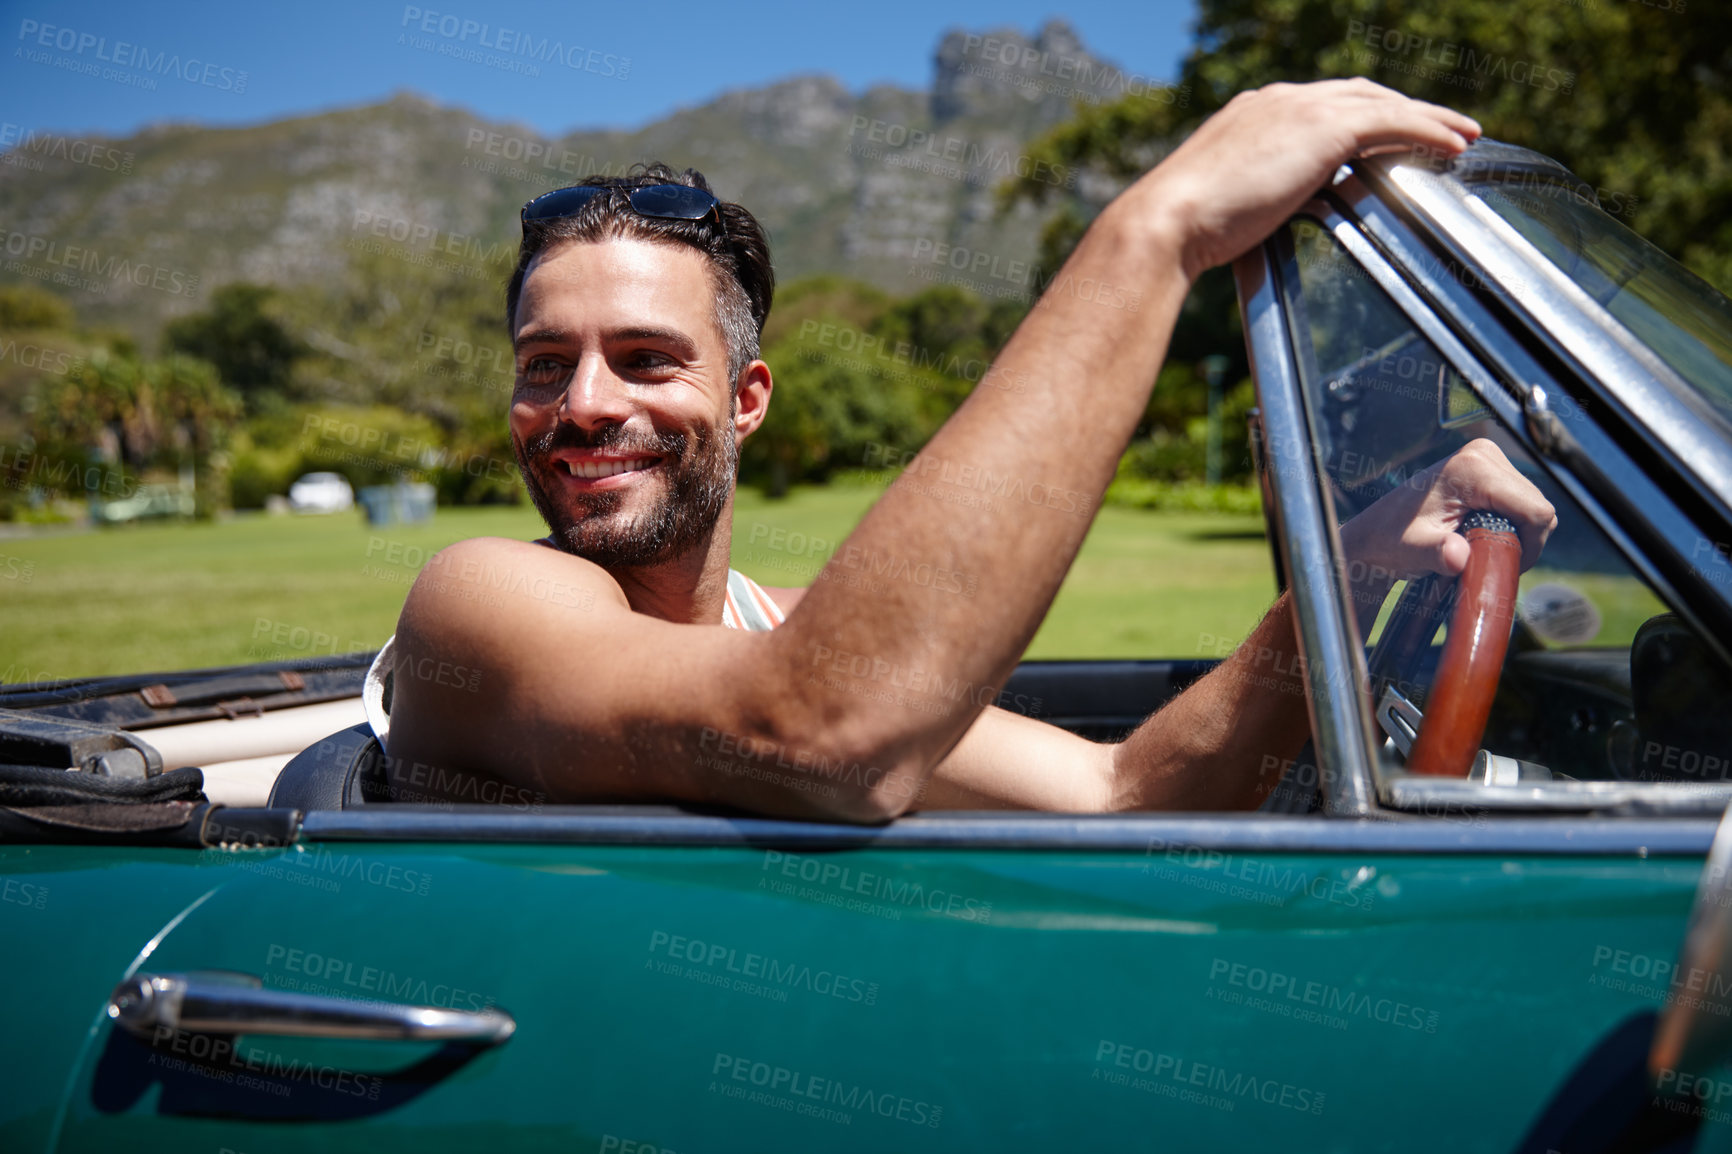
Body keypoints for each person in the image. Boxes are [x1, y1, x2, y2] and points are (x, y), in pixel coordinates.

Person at [380, 79, 1557, 822]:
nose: (581, 401)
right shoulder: (480, 598)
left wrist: (1341, 574)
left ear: (745, 400)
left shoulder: (779, 628)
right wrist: (1160, 232)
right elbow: (818, 735)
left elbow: (1124, 791)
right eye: (545, 363)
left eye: (644, 357)